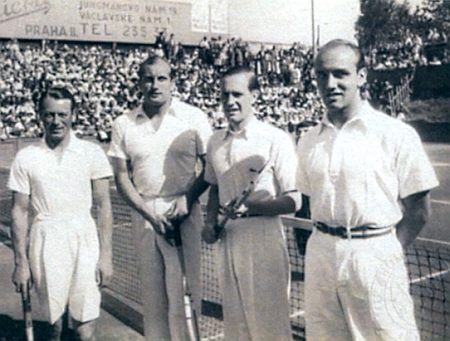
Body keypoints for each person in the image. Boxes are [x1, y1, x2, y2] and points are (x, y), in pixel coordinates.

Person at [296, 39, 439, 341]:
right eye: (322, 75)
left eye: (340, 73)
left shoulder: (395, 134)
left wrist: (384, 253)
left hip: (374, 253)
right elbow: (307, 201)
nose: (330, 84)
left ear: (361, 76)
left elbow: (419, 211)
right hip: (321, 253)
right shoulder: (308, 139)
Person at [108, 55, 212, 341]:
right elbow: (121, 177)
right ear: (140, 82)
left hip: (183, 212)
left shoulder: (193, 117)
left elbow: (210, 166)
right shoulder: (124, 123)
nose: (155, 85)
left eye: (161, 78)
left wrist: (188, 199)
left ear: (172, 81)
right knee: (153, 304)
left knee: (185, 300)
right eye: (148, 78)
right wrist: (148, 214)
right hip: (144, 215)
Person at [202, 66, 300, 341]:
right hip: (227, 242)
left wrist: (252, 208)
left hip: (263, 241)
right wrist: (210, 223)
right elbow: (213, 189)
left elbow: (295, 200)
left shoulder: (275, 138)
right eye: (225, 95)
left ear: (254, 95)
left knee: (270, 332)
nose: (230, 102)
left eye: (237, 94)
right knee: (236, 330)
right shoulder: (215, 142)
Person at [8, 86, 113, 341]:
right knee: (54, 329)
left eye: (62, 114)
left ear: (73, 114)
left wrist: (106, 256)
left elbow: (104, 206)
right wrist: (21, 263)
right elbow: (19, 213)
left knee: (84, 331)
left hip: (85, 240)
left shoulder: (91, 152)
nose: (56, 121)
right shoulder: (26, 157)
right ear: (40, 116)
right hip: (46, 241)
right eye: (50, 115)